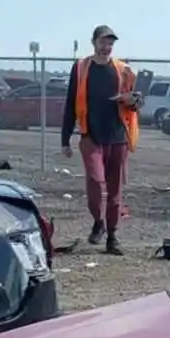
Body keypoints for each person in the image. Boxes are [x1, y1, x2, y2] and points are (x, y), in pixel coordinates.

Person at [59, 24, 142, 254]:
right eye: (103, 42)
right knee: (96, 182)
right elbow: (70, 104)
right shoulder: (81, 68)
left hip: (118, 137)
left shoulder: (123, 70)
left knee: (115, 190)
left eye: (110, 43)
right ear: (94, 42)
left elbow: (135, 103)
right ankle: (98, 222)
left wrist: (133, 100)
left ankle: (112, 236)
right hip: (91, 135)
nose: (106, 47)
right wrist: (65, 139)